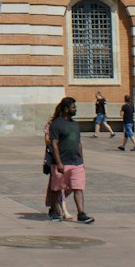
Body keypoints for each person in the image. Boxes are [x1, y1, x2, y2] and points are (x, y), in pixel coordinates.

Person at [48, 96, 94, 224]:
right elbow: (54, 144)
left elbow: (78, 143)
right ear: (66, 109)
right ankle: (53, 210)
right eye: (73, 107)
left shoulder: (75, 124)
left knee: (78, 188)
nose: (75, 109)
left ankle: (81, 213)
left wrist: (82, 161)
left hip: (76, 163)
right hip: (62, 163)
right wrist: (58, 163)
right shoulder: (56, 124)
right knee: (57, 189)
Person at [43, 104, 74, 222]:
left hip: (69, 157)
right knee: (58, 185)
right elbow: (46, 140)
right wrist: (57, 141)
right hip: (56, 158)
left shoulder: (71, 123)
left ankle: (54, 205)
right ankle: (64, 210)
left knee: (71, 185)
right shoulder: (52, 124)